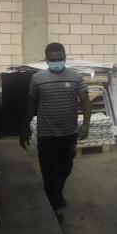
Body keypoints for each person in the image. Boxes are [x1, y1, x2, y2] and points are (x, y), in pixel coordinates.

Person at [20, 43, 91, 222]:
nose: (56, 62)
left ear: (65, 57)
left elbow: (85, 101)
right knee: (48, 170)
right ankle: (53, 206)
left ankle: (56, 194)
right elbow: (31, 104)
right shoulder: (37, 78)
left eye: (60, 58)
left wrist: (86, 124)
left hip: (69, 133)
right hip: (47, 134)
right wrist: (24, 127)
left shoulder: (76, 77)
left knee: (66, 167)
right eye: (53, 59)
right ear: (46, 59)